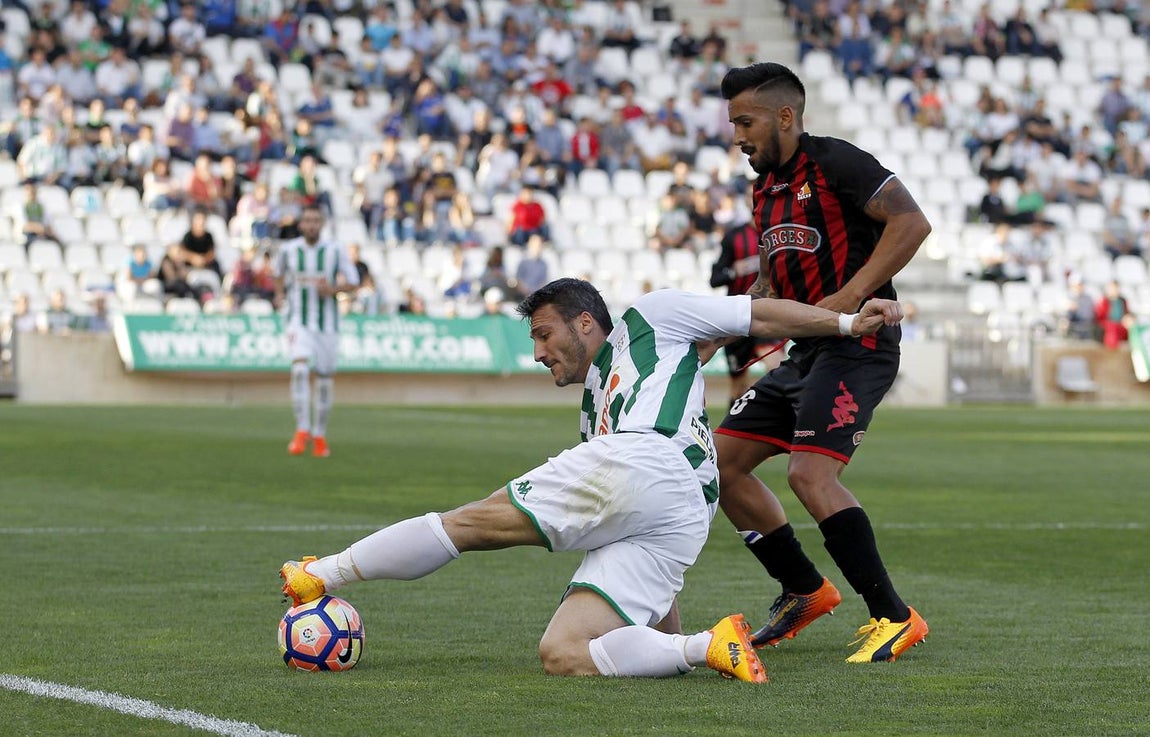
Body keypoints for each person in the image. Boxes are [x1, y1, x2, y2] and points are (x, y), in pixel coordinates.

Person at [280, 277, 903, 680]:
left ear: (584, 322)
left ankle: (321, 573)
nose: (538, 352)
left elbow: (754, 314)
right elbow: (634, 507)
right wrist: (665, 631)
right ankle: (709, 646)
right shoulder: (599, 406)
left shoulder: (653, 315)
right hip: (685, 506)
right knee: (565, 653)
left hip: (649, 458)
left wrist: (849, 324)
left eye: (543, 333)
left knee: (471, 522)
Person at [712, 62, 932, 663]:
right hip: (806, 352)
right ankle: (805, 590)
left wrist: (851, 295)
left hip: (858, 346)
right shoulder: (765, 188)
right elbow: (769, 282)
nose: (738, 136)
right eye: (734, 124)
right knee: (719, 465)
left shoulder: (836, 162)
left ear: (785, 116)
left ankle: (895, 616)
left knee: (810, 474)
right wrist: (716, 331)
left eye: (746, 122)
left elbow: (912, 223)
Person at [274, 205, 360, 459]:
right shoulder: (289, 250)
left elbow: (354, 281)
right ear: (301, 224)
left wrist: (333, 290)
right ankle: (302, 429)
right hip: (298, 321)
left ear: (321, 224)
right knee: (300, 370)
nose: (311, 225)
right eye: (307, 221)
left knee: (323, 381)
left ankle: (320, 435)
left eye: (315, 221)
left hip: (328, 325)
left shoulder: (335, 250)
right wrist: (280, 294)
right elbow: (277, 274)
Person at [709, 216, 783, 406]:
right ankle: (736, 422)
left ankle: (775, 415)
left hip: (769, 314)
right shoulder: (734, 236)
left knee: (776, 367)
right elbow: (715, 279)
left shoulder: (781, 232)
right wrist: (733, 272)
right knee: (738, 386)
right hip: (739, 317)